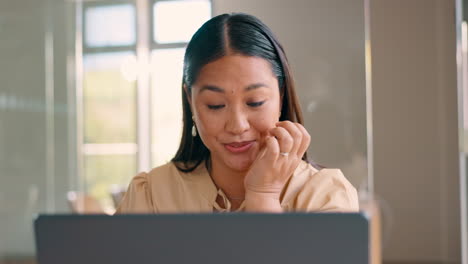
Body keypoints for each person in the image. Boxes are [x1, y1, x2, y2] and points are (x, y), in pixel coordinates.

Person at [116, 13, 359, 213]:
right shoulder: (150, 196)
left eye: (254, 102)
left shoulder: (325, 196)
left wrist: (263, 195)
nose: (237, 125)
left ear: (281, 96)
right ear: (190, 101)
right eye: (215, 105)